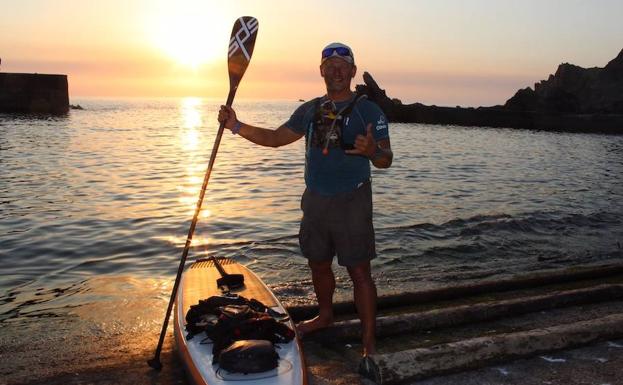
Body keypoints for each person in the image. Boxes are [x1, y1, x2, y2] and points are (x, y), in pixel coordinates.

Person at [217, 42, 393, 359]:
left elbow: (386, 159)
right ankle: (325, 315)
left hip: (352, 199)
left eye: (343, 65)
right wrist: (236, 125)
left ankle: (369, 342)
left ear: (353, 71)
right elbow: (274, 138)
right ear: (321, 70)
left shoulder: (369, 110)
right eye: (330, 65)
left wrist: (373, 152)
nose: (337, 70)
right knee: (318, 262)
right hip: (314, 200)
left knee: (359, 272)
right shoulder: (310, 109)